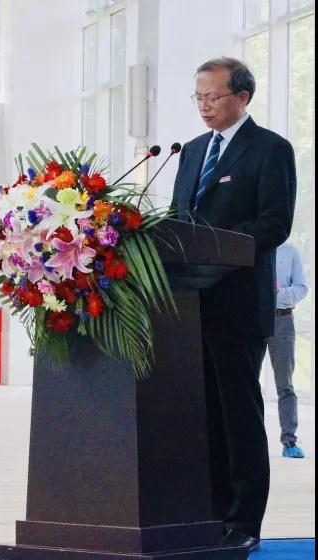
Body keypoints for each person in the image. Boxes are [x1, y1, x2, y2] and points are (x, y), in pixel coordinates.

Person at [172, 57, 297, 554]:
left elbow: (275, 223)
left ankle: (244, 521)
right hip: (189, 305)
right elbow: (179, 218)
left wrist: (217, 245)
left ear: (242, 97)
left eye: (213, 97)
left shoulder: (270, 149)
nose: (204, 106)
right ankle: (211, 512)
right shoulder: (191, 151)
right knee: (203, 416)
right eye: (198, 97)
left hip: (239, 304)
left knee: (239, 415)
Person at [268, 242, 309, 458]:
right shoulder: (253, 246)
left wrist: (277, 292)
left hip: (282, 320)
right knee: (247, 381)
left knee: (285, 384)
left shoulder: (291, 252)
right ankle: (244, 442)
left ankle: (289, 441)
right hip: (253, 316)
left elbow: (302, 288)